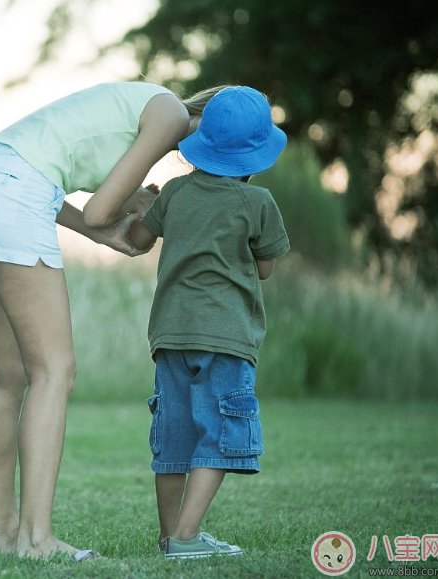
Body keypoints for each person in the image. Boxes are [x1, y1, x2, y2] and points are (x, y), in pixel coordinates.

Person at [0, 81, 228, 559]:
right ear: (217, 127)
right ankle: (36, 540)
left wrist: (110, 225)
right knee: (55, 370)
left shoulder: (145, 103)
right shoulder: (170, 114)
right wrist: (137, 211)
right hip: (10, 194)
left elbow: (57, 192)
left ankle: (5, 535)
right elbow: (97, 208)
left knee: (8, 376)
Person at [127, 86, 290, 559]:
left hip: (170, 334)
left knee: (173, 437)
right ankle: (185, 538)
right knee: (217, 434)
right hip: (226, 336)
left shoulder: (175, 191)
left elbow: (139, 237)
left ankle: (168, 535)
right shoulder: (257, 202)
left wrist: (145, 203)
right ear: (255, 155)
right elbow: (264, 267)